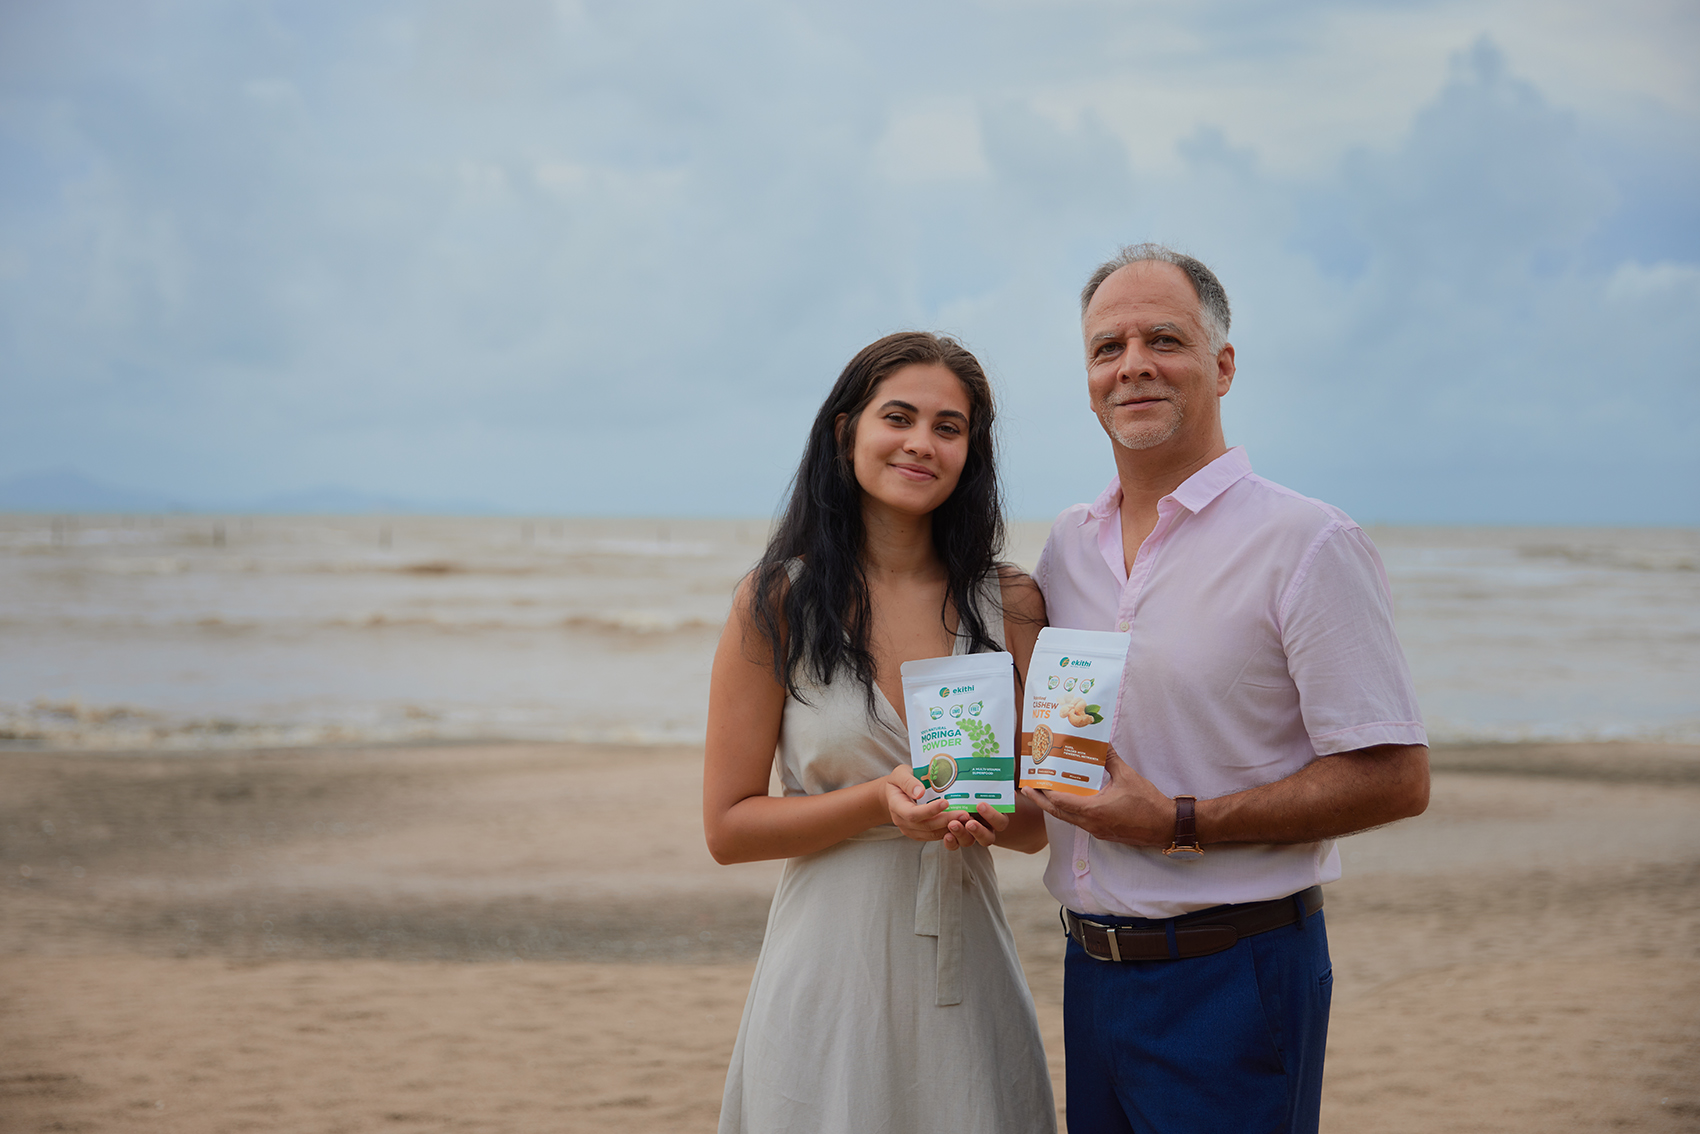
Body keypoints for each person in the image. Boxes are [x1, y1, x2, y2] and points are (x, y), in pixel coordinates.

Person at [1021, 244, 1431, 1134]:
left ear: (1223, 364)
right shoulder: (1064, 547)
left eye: (1163, 338)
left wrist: (1178, 821)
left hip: (1234, 972)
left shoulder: (1309, 543)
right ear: (1088, 379)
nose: (1132, 363)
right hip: (1088, 974)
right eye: (1106, 348)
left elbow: (1397, 777)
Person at [704, 331, 1056, 1134]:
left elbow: (1041, 825)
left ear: (972, 450)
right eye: (898, 417)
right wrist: (876, 802)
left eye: (948, 426)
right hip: (826, 967)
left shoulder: (1013, 603)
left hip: (965, 967)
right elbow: (727, 828)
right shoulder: (776, 603)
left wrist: (998, 816)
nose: (920, 443)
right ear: (845, 432)